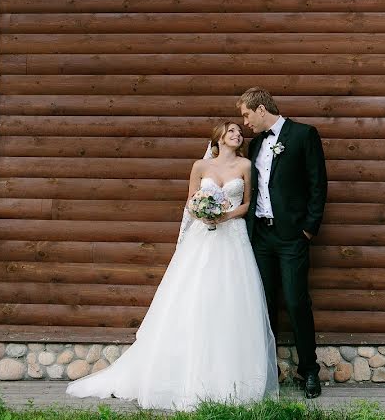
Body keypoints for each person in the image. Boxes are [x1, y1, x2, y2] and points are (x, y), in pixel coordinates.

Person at [66, 121, 278, 411]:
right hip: (202, 238)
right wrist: (203, 213)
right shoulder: (200, 167)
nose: (237, 134)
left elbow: (247, 204)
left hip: (233, 238)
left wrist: (224, 216)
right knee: (193, 298)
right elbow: (191, 202)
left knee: (231, 300)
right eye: (230, 130)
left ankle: (233, 380)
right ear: (218, 137)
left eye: (239, 132)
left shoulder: (244, 165)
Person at [238, 87, 327, 399]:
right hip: (260, 236)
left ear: (261, 110)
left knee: (296, 301)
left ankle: (309, 370)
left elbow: (318, 184)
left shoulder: (304, 135)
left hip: (292, 237)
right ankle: (266, 371)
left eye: (247, 115)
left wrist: (308, 231)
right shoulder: (254, 145)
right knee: (264, 304)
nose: (245, 123)